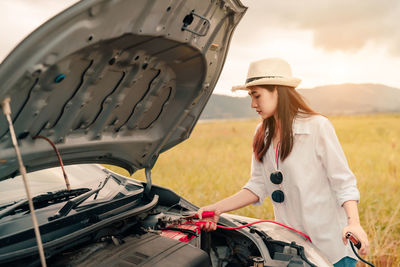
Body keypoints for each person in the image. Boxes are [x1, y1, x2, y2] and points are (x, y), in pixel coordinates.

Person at [197, 58, 370, 266]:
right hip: (294, 248)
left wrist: (354, 223)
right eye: (251, 96)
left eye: (257, 95)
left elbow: (343, 181)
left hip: (332, 248)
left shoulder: (317, 126)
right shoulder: (261, 133)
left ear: (277, 91)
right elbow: (257, 186)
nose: (253, 104)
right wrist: (216, 208)